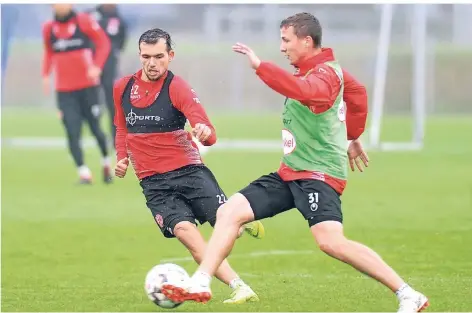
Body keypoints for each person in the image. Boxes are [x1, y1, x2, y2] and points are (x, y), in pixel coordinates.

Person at [160, 12, 430, 313]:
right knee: (229, 212)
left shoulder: (325, 75)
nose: (282, 47)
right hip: (291, 172)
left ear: (306, 41)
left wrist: (261, 67)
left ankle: (409, 294)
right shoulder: (317, 70)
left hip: (318, 175)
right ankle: (201, 281)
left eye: (286, 40)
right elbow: (358, 94)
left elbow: (305, 92)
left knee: (331, 242)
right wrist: (352, 135)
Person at [113, 28, 265, 304]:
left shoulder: (177, 87)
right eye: (146, 57)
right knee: (188, 235)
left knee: (229, 226)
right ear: (139, 56)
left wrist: (205, 131)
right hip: (154, 184)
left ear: (170, 56)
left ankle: (242, 222)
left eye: (159, 56)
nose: (152, 63)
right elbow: (121, 127)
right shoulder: (122, 87)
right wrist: (121, 156)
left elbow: (208, 129)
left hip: (190, 173)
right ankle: (239, 286)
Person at [42, 4, 112, 184]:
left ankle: (105, 162)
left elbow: (104, 43)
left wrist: (97, 66)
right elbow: (49, 53)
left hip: (88, 88)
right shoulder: (49, 28)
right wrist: (45, 75)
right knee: (72, 130)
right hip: (64, 91)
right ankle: (84, 173)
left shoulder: (84, 21)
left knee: (95, 128)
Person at [87, 4, 128, 146]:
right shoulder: (91, 15)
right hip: (92, 63)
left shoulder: (118, 18)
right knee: (91, 101)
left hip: (110, 65)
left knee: (114, 102)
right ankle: (96, 135)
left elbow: (122, 40)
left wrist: (114, 53)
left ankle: (115, 137)